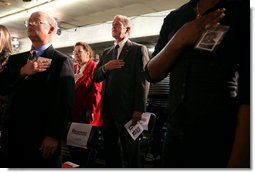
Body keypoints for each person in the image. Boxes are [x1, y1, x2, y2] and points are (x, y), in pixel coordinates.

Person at [145, 0, 249, 168]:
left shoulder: (242, 12)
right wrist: (178, 41)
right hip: (174, 135)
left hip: (221, 137)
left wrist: (240, 159)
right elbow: (152, 73)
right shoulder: (176, 17)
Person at [0, 11, 75, 168]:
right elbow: (2, 86)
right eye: (29, 22)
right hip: (13, 134)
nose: (31, 24)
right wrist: (22, 72)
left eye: (37, 21)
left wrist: (53, 135)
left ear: (51, 29)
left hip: (40, 138)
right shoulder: (16, 60)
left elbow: (63, 102)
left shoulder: (61, 62)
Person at [93, 14, 150, 168]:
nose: (113, 27)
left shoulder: (138, 49)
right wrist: (106, 67)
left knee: (131, 151)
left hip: (128, 111)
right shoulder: (106, 52)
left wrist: (139, 108)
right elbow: (95, 76)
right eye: (112, 24)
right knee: (111, 150)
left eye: (117, 24)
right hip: (108, 111)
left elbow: (143, 81)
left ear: (127, 29)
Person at [68, 42, 102, 167]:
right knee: (74, 145)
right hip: (74, 113)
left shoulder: (94, 67)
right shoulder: (74, 67)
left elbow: (96, 90)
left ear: (88, 52)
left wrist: (91, 110)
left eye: (79, 52)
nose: (76, 55)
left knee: (86, 147)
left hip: (87, 115)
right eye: (74, 52)